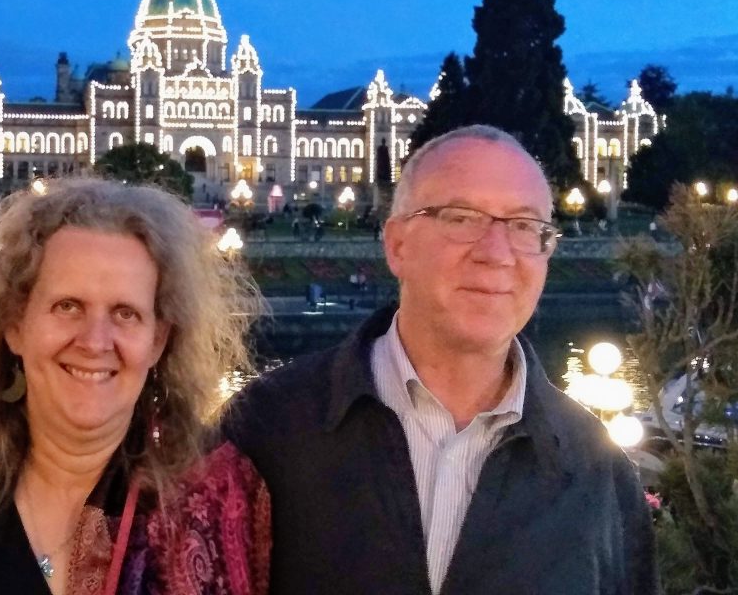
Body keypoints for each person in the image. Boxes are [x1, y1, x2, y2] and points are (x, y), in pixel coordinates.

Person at [225, 125, 657, 594]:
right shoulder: (268, 427)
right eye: (461, 218)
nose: (497, 254)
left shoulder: (597, 468)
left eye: (525, 226)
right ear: (397, 246)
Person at [0, 177, 270, 595]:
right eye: (68, 307)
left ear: (158, 341)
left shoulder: (220, 500)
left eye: (125, 313)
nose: (95, 341)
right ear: (15, 325)